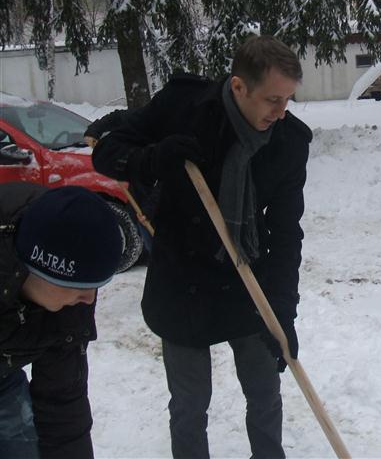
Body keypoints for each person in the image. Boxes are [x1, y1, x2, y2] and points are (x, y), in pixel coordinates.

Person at [92, 35, 311, 458]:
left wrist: (282, 310)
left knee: (265, 393)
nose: (281, 113)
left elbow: (286, 233)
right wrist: (154, 158)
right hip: (183, 282)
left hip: (248, 281)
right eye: (272, 100)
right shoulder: (183, 107)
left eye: (288, 100)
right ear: (238, 86)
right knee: (190, 405)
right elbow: (107, 152)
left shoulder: (288, 143)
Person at [0, 183, 122, 457]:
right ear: (34, 270)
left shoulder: (69, 298)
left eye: (95, 286)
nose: (89, 300)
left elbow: (62, 403)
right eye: (79, 287)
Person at [85, 109, 158, 252]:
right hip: (141, 205)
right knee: (157, 256)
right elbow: (117, 117)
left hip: (162, 211)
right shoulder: (148, 117)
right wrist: (94, 131)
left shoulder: (177, 131)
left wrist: (150, 210)